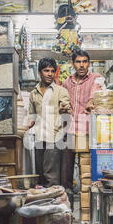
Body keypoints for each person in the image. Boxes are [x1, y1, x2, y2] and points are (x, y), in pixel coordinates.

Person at [61, 49, 104, 208]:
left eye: (84, 62)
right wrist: (63, 107)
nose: (81, 65)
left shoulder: (96, 78)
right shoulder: (67, 82)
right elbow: (63, 100)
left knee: (87, 166)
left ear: (89, 63)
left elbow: (96, 91)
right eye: (78, 62)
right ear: (73, 64)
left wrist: (92, 101)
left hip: (88, 129)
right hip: (70, 128)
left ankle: (90, 202)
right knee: (66, 167)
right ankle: (67, 202)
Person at [28, 58, 71, 187]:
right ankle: (43, 204)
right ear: (40, 73)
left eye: (52, 71)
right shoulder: (33, 93)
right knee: (40, 175)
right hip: (39, 138)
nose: (50, 74)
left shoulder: (60, 91)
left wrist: (64, 110)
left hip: (54, 137)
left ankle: (53, 203)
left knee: (51, 176)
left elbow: (66, 110)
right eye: (46, 71)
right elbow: (32, 116)